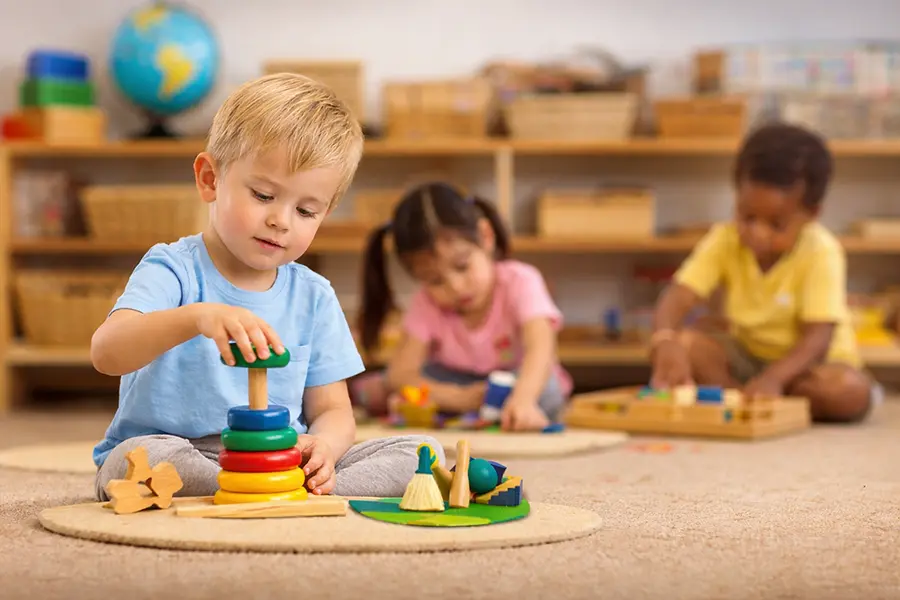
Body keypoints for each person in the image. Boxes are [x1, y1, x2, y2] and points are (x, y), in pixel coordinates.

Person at [89, 73, 443, 501]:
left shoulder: (314, 295)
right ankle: (268, 495)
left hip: (279, 459)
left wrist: (323, 449)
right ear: (210, 179)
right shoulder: (173, 268)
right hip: (181, 451)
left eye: (306, 210)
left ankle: (285, 491)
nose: (282, 220)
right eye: (262, 195)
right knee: (132, 461)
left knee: (422, 454)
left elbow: (333, 411)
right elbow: (107, 352)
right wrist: (197, 317)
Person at [649, 121, 876, 423]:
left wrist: (775, 378)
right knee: (687, 345)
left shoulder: (821, 250)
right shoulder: (725, 238)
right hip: (747, 357)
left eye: (776, 224)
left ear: (811, 214)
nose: (757, 233)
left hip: (807, 365)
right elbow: (679, 295)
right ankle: (747, 402)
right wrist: (664, 339)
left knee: (847, 391)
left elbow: (817, 339)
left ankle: (768, 397)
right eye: (747, 216)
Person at [352, 182, 572, 431]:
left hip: (515, 381)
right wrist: (459, 397)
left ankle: (510, 409)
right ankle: (471, 408)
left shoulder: (520, 281)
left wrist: (523, 399)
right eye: (435, 280)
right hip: (455, 383)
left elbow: (541, 348)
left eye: (462, 266)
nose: (455, 287)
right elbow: (402, 373)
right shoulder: (426, 302)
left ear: (486, 237)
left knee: (549, 389)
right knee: (384, 387)